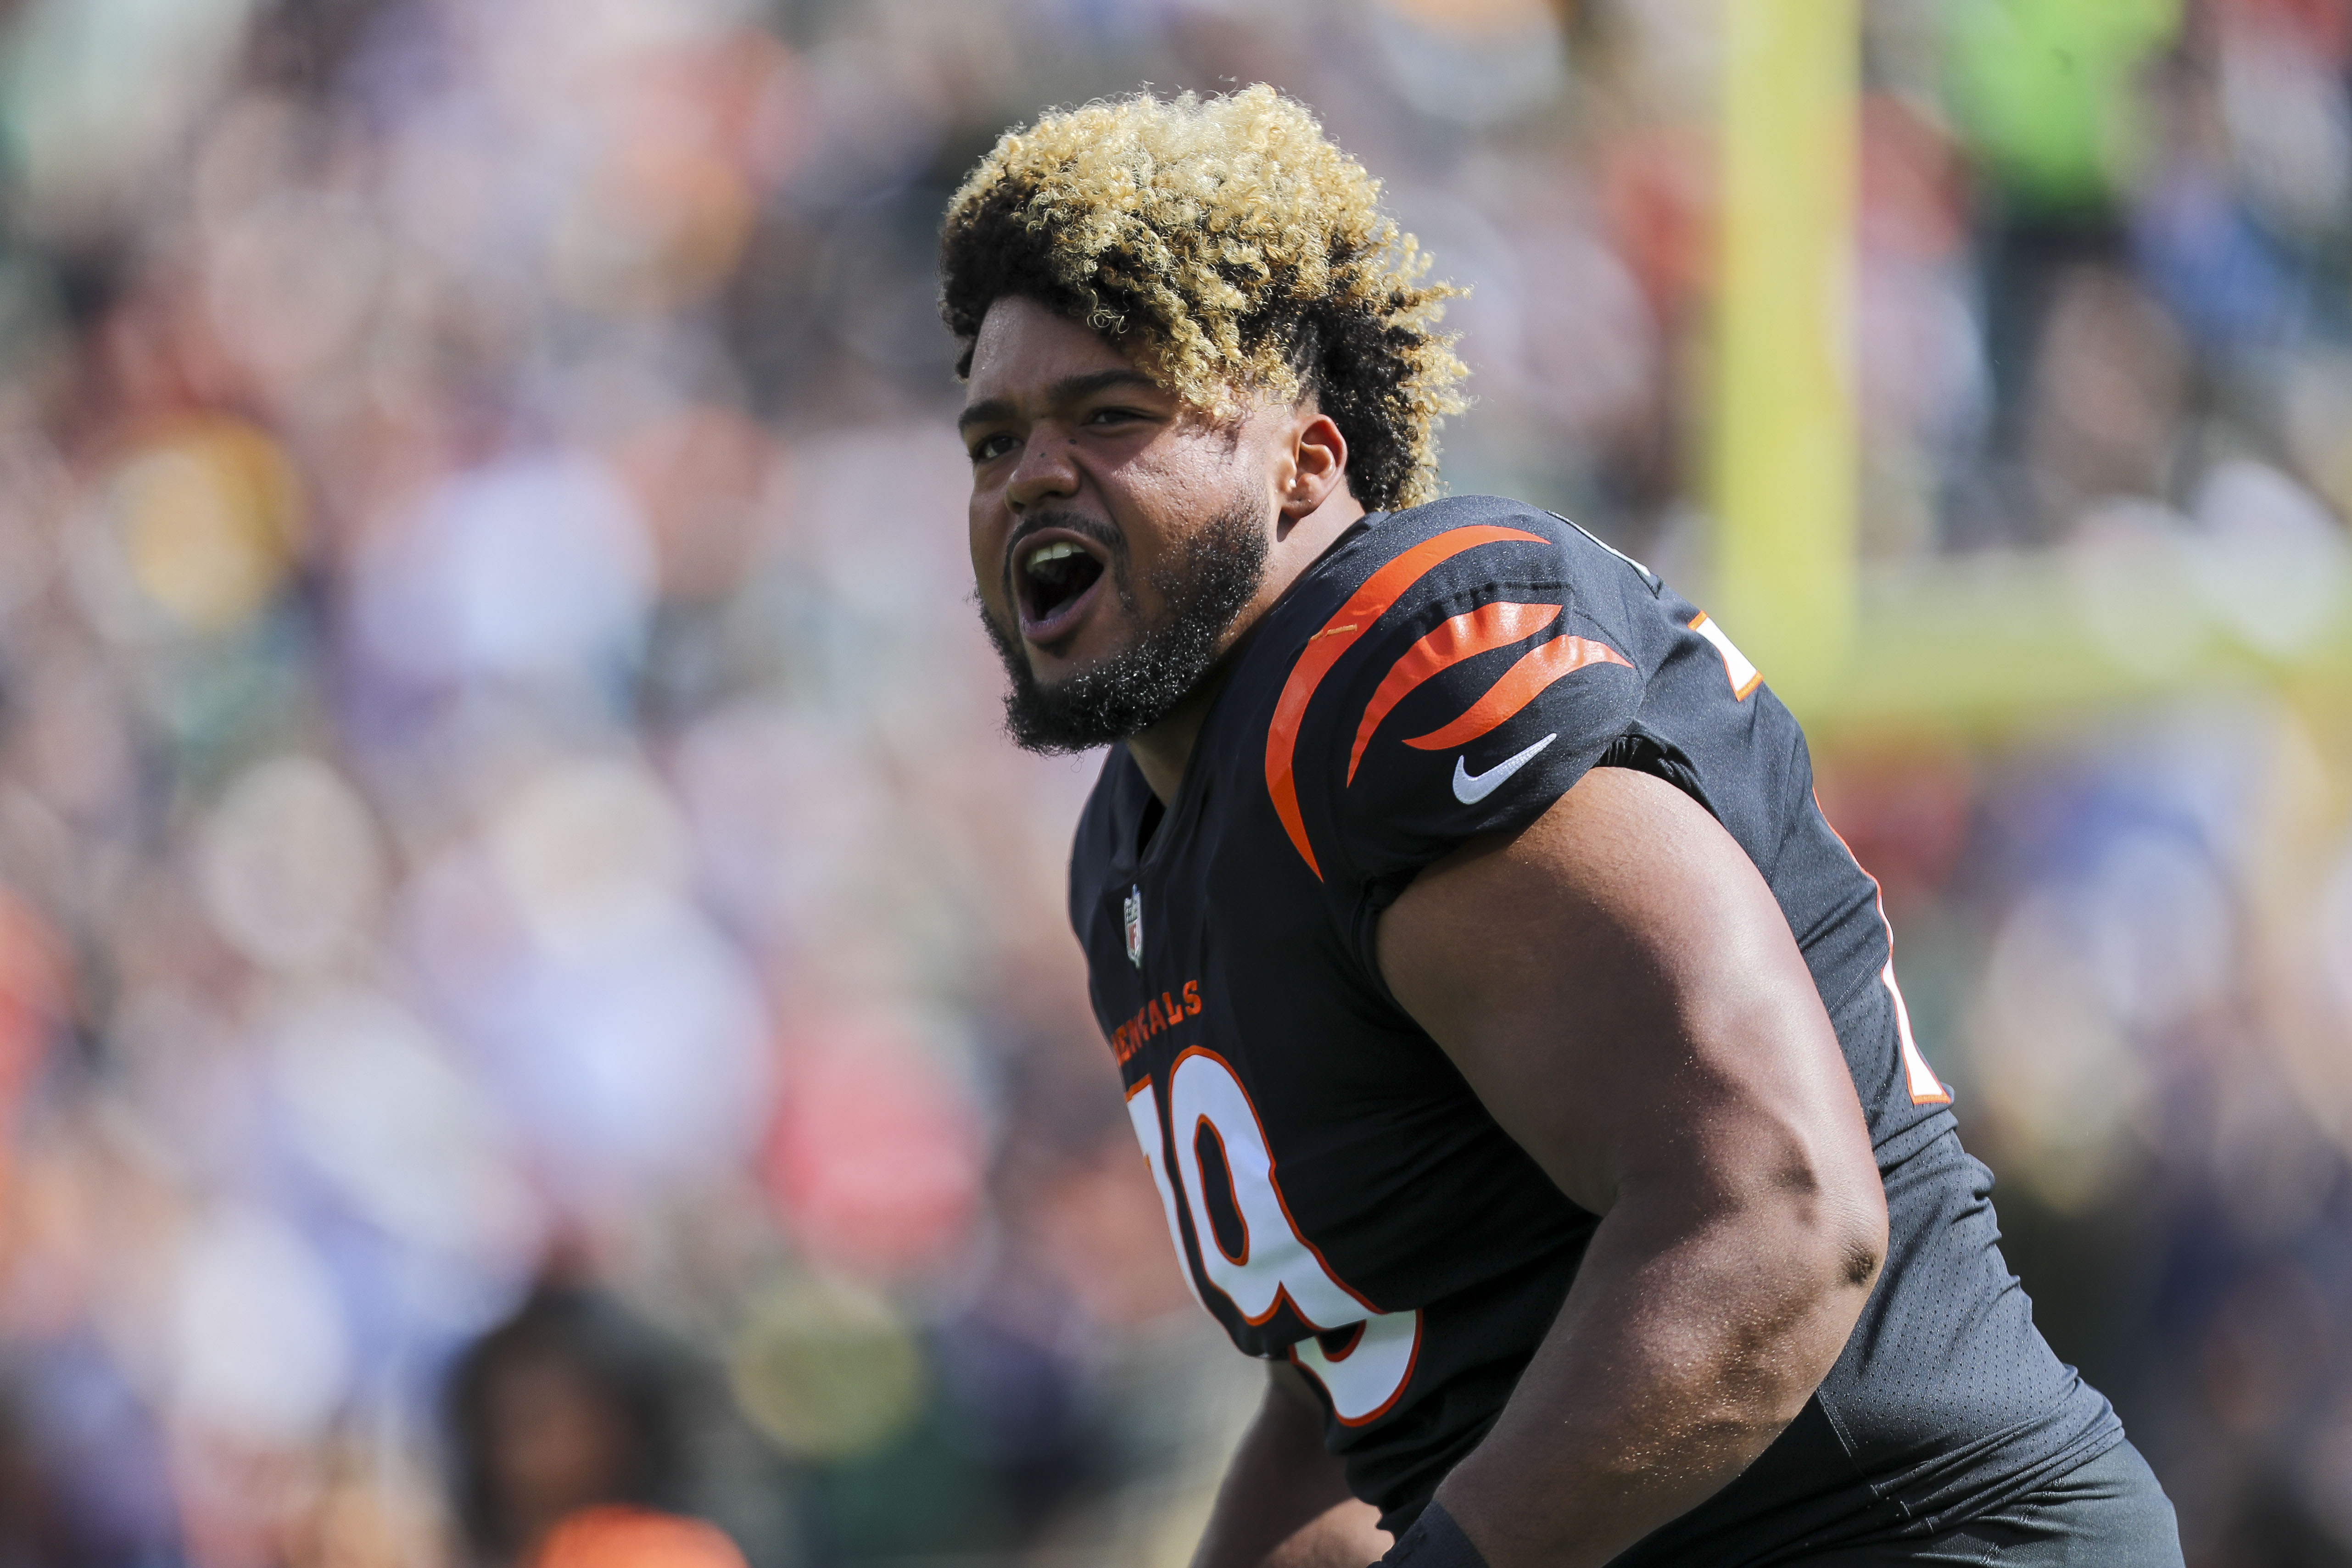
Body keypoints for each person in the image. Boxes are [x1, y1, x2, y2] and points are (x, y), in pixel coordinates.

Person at [938, 87, 2185, 1568]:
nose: (1033, 477)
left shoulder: (1397, 671)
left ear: (1307, 463)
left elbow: (1775, 1217)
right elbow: (1360, 1364)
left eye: (1113, 414)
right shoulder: (1134, 852)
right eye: (993, 440)